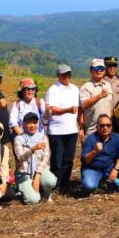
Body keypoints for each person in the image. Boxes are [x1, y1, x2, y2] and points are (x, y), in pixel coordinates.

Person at [45, 64, 80, 193]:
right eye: (64, 74)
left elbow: (79, 109)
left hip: (72, 130)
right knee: (57, 160)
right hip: (57, 131)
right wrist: (67, 110)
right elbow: (52, 109)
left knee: (68, 160)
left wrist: (80, 127)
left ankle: (65, 184)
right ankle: (55, 184)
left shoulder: (75, 89)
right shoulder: (53, 90)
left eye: (68, 74)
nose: (67, 77)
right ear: (58, 75)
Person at [79, 114, 119, 196]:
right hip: (93, 169)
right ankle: (100, 185)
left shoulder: (116, 137)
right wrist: (95, 151)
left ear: (111, 126)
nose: (105, 128)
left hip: (110, 168)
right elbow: (84, 160)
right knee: (89, 186)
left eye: (108, 125)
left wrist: (116, 169)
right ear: (97, 127)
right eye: (102, 125)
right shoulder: (90, 139)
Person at [13, 112, 56, 205]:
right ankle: (26, 190)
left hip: (40, 170)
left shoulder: (43, 138)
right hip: (24, 174)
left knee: (51, 181)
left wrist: (38, 174)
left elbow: (46, 158)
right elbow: (20, 158)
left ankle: (46, 194)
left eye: (35, 123)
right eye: (29, 123)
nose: (32, 126)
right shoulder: (18, 139)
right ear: (24, 124)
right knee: (33, 200)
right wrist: (32, 149)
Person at [80, 58, 114, 137]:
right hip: (92, 130)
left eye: (102, 68)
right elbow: (84, 105)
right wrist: (100, 96)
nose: (99, 70)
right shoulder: (86, 87)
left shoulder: (108, 85)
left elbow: (111, 105)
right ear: (91, 70)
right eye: (96, 68)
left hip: (107, 129)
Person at [103, 56, 119, 132]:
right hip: (105, 115)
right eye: (109, 65)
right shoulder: (101, 81)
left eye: (115, 65)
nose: (112, 68)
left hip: (118, 117)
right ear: (105, 66)